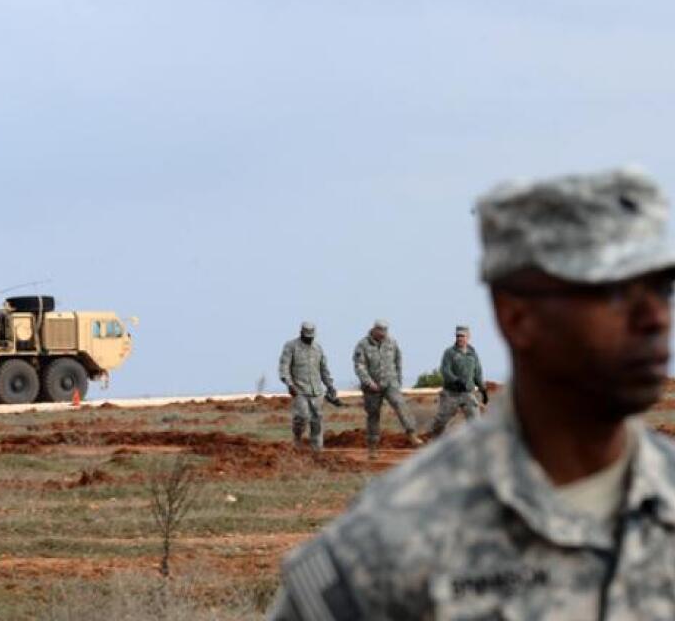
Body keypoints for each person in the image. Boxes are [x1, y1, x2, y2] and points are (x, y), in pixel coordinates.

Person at [268, 169, 675, 619]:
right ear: (516, 316)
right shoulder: (390, 545)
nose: (655, 317)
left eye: (662, 288)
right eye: (613, 292)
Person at [352, 320, 423, 457]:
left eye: (385, 331)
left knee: (400, 405)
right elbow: (359, 366)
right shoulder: (363, 345)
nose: (383, 334)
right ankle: (373, 448)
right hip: (372, 387)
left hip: (391, 383)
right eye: (381, 331)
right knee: (373, 415)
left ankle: (412, 434)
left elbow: (398, 361)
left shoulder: (391, 342)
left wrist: (398, 381)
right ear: (375, 330)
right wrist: (368, 382)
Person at [279, 321, 339, 453]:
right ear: (301, 333)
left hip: (317, 391)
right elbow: (284, 368)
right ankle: (297, 440)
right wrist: (289, 384)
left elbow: (324, 369)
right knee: (302, 416)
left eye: (311, 336)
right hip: (299, 390)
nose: (309, 338)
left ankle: (317, 450)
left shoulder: (318, 348)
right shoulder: (291, 347)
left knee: (317, 420)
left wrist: (330, 385)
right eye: (307, 336)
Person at [428, 325, 488, 437]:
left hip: (467, 394)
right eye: (458, 336)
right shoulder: (449, 353)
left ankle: (477, 445)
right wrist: (456, 381)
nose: (460, 338)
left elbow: (478, 373)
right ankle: (433, 439)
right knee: (441, 421)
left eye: (462, 336)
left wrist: (483, 390)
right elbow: (445, 370)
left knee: (476, 421)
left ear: (468, 337)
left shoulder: (472, 353)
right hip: (451, 394)